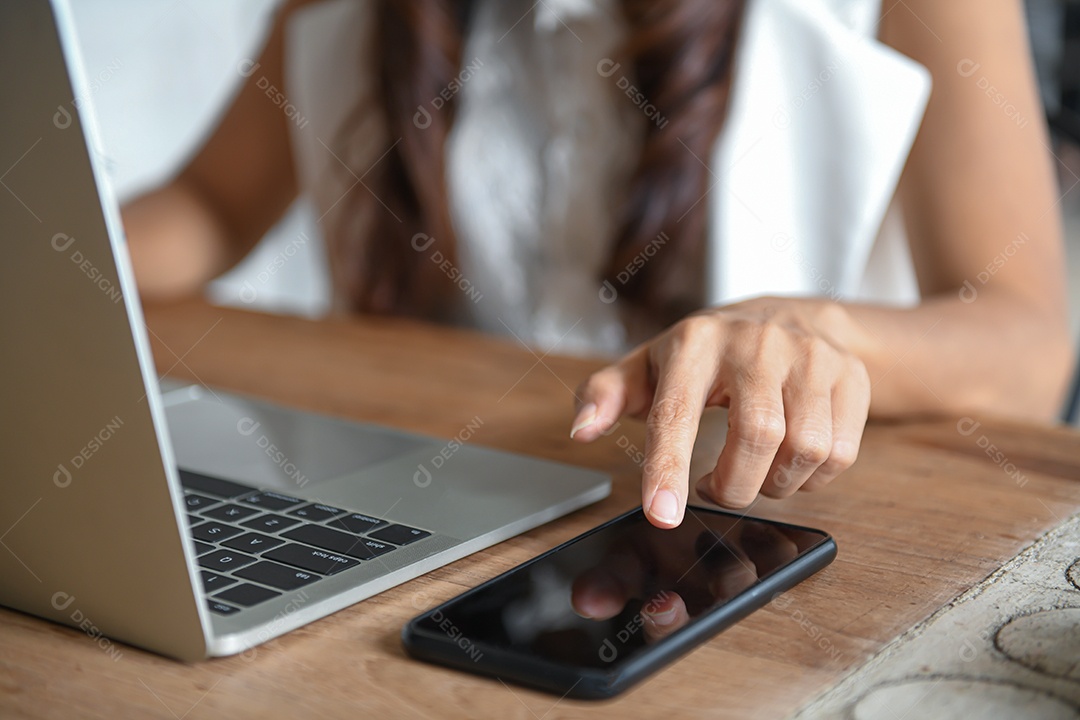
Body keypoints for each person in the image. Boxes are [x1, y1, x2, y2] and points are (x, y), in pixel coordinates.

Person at [122, 0, 1074, 531]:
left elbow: (1028, 337)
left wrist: (820, 332)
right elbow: (210, 207)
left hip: (757, 539)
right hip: (437, 515)